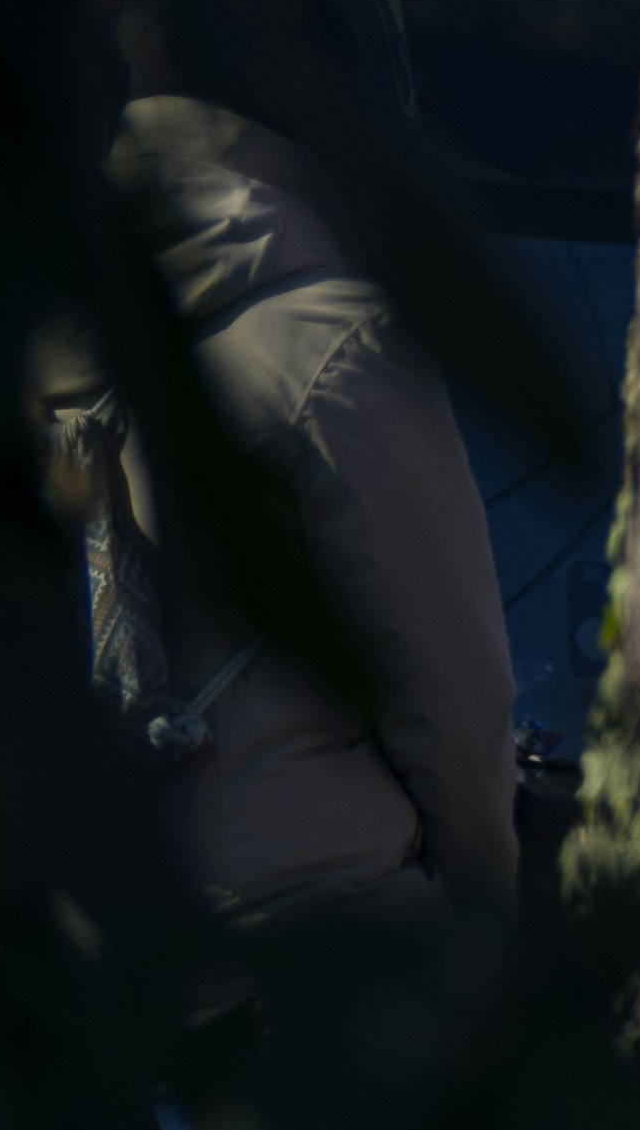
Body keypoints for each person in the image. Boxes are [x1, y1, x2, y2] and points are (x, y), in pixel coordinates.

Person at [47, 94, 524, 937]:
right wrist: (483, 898)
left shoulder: (39, 333)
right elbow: (452, 688)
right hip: (306, 948)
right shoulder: (334, 342)